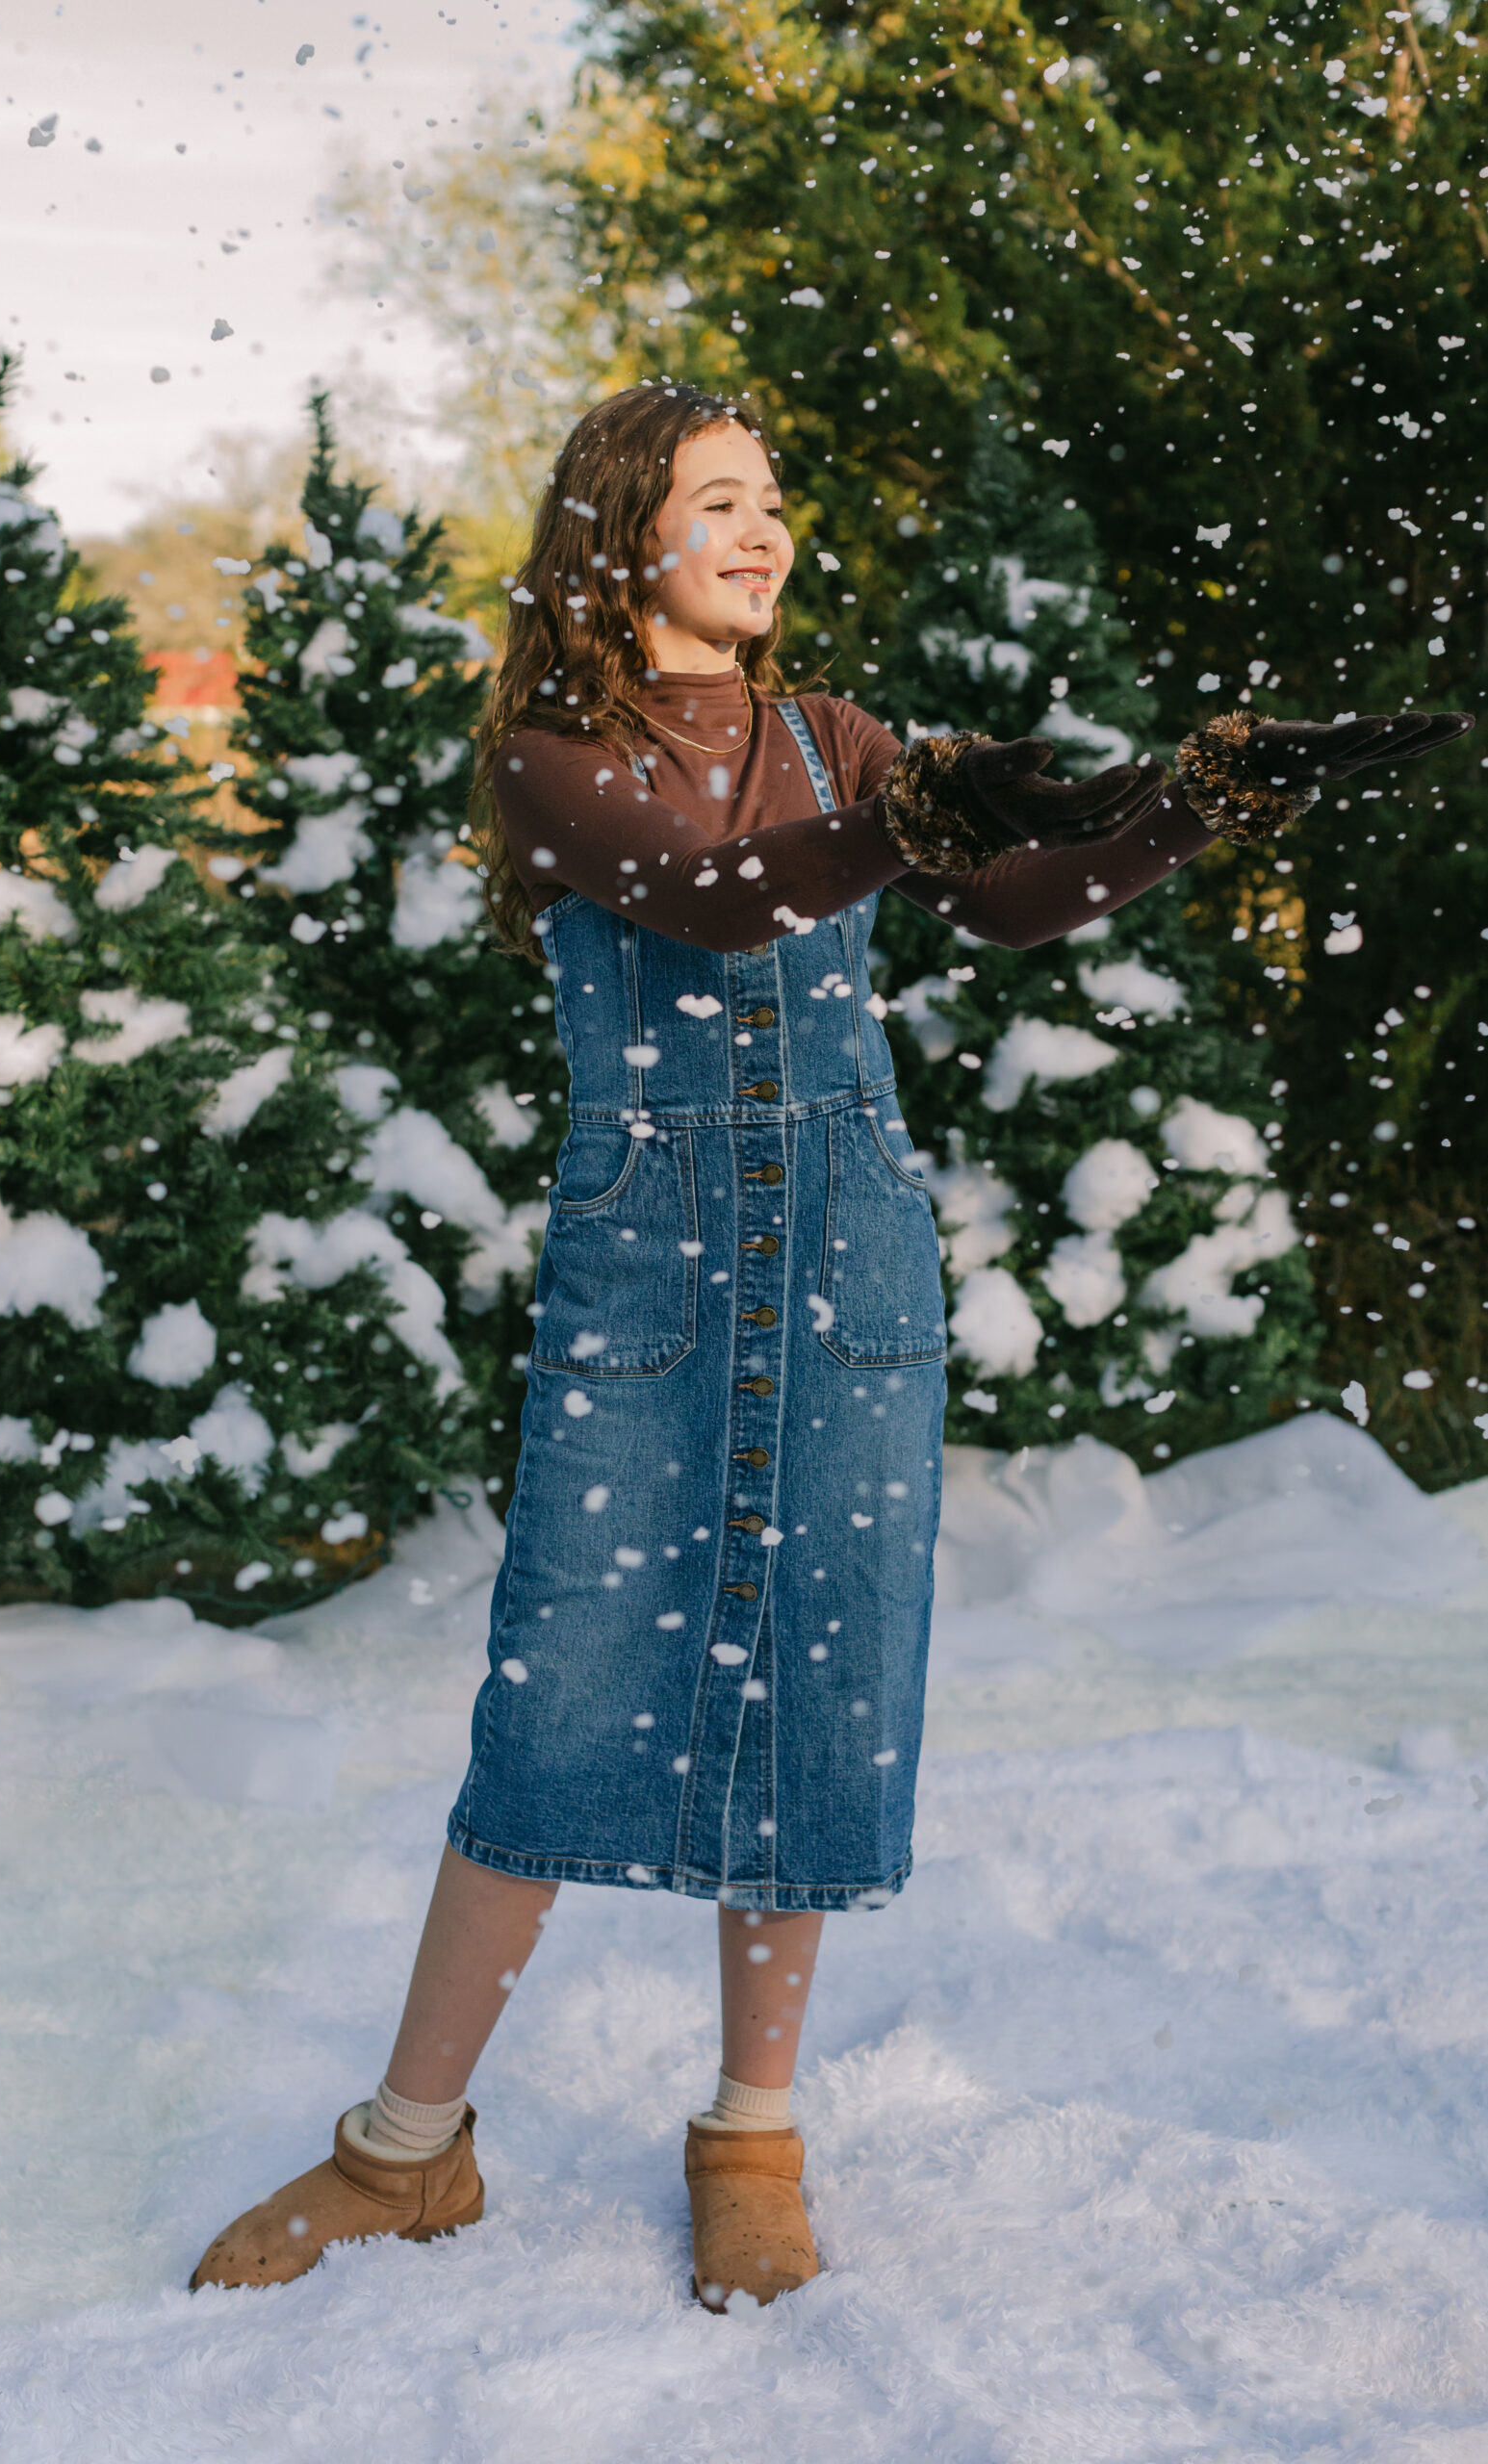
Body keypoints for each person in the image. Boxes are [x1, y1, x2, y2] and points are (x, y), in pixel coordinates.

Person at [192, 381, 1469, 2309]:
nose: (765, 527)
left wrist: (1183, 803)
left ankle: (749, 2125)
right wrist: (891, 823)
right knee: (557, 1690)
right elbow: (712, 910)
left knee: (817, 1679)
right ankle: (406, 2146)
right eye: (718, 498)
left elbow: (1021, 902)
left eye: (772, 499)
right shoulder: (556, 757)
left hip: (849, 1261)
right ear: (617, 537)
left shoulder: (832, 735)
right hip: (654, 1281)